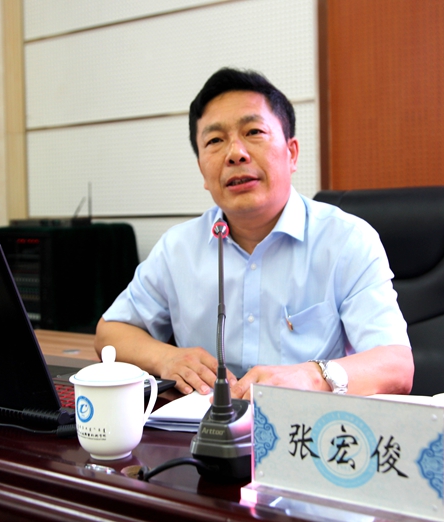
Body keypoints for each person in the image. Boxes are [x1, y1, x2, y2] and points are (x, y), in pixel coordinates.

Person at [95, 68, 413, 400]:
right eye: (215, 141)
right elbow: (110, 333)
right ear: (202, 170)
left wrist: (312, 377)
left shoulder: (347, 240)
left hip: (305, 425)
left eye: (254, 132)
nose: (235, 153)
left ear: (291, 153)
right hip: (202, 426)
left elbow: (396, 366)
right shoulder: (178, 248)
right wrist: (167, 358)